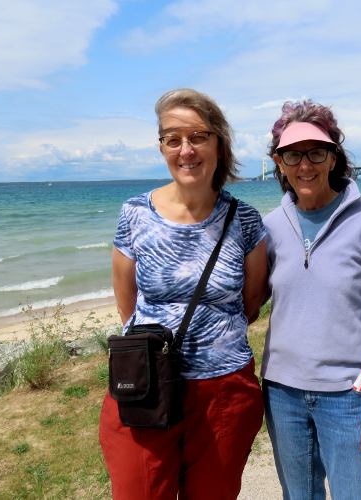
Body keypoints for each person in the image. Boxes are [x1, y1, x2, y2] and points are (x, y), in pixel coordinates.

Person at [99, 88, 267, 499]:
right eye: (172, 138)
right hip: (146, 385)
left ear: (219, 142)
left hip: (224, 392)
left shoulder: (243, 218)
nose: (185, 150)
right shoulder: (136, 213)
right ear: (161, 147)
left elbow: (251, 302)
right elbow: (127, 300)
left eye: (197, 136)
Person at [261, 100, 361, 499]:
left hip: (350, 395)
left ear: (332, 157)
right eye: (292, 154)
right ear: (279, 162)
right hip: (282, 393)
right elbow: (248, 298)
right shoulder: (270, 226)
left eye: (315, 152)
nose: (304, 165)